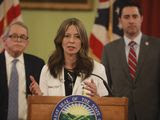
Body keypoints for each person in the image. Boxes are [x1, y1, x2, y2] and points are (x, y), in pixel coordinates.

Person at [101, 1, 160, 120]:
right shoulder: (109, 50)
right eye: (126, 17)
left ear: (141, 18)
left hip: (152, 114)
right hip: (120, 114)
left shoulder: (157, 46)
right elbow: (105, 86)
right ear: (120, 20)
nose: (131, 21)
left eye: (135, 16)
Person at [29, 18, 109, 97]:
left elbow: (107, 106)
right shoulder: (47, 70)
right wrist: (38, 96)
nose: (71, 40)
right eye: (67, 36)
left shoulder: (98, 69)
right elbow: (43, 106)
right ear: (60, 40)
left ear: (82, 41)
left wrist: (97, 97)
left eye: (77, 37)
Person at [0, 22, 45, 120]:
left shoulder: (38, 64)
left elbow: (42, 98)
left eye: (23, 37)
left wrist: (38, 94)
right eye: (14, 36)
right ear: (4, 40)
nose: (19, 40)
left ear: (27, 42)